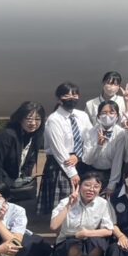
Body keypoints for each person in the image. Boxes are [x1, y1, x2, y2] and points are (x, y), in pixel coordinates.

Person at [47, 171, 115, 256]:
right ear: (79, 186)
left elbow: (109, 230)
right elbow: (53, 226)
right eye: (87, 185)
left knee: (98, 243)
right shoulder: (66, 202)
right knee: (74, 246)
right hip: (69, 240)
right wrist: (69, 205)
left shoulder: (103, 203)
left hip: (90, 238)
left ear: (100, 189)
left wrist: (87, 233)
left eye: (96, 187)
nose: (91, 189)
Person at [0, 101, 45, 201]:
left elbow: (29, 163)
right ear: (20, 118)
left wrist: (23, 178)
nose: (33, 123)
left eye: (37, 119)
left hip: (12, 182)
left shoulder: (35, 137)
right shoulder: (7, 135)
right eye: (29, 118)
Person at [38, 82, 92, 215]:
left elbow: (90, 139)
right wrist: (72, 173)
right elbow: (58, 149)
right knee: (64, 203)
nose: (71, 98)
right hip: (61, 164)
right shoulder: (54, 119)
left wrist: (79, 156)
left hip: (80, 160)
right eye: (66, 95)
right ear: (59, 99)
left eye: (74, 95)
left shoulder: (82, 115)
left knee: (83, 199)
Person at [81, 99, 125, 189]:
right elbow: (87, 160)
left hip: (111, 174)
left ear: (117, 116)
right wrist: (99, 146)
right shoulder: (90, 132)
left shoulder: (120, 133)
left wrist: (112, 185)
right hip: (91, 172)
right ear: (98, 116)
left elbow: (117, 161)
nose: (107, 116)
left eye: (111, 112)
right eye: (104, 113)